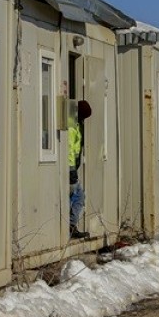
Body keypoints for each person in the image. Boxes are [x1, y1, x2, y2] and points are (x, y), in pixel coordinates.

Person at [68, 100, 92, 239]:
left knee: (74, 196)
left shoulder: (76, 124)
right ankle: (71, 226)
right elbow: (70, 149)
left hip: (72, 168)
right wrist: (72, 171)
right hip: (70, 169)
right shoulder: (72, 127)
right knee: (78, 196)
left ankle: (70, 226)